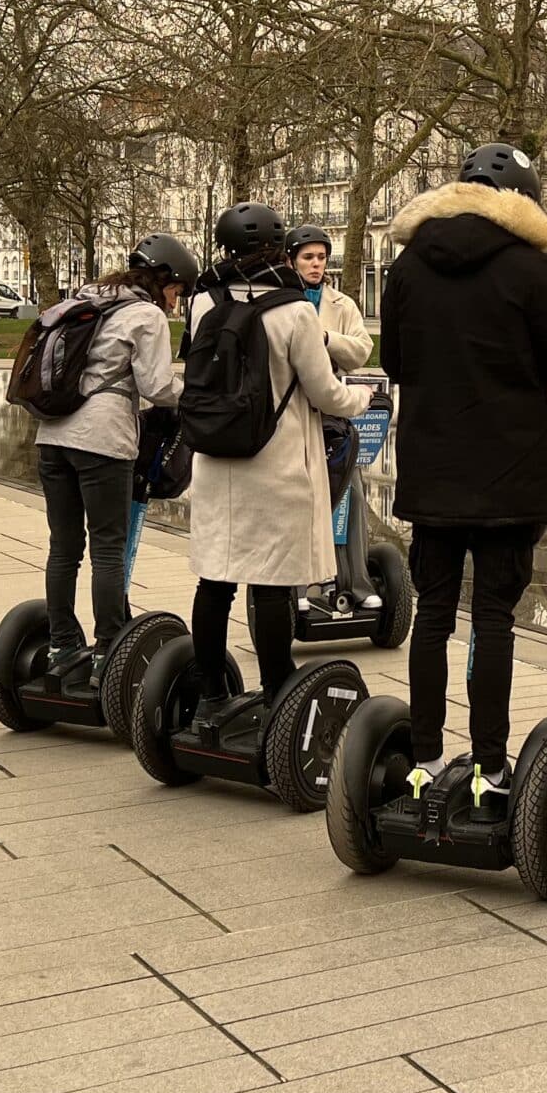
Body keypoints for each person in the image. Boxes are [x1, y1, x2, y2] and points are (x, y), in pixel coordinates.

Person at [380, 145, 547, 803]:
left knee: (433, 613)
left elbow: (395, 361)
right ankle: (490, 770)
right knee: (494, 618)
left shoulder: (409, 264)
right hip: (509, 469)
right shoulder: (531, 269)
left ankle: (423, 759)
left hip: (433, 466)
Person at [182, 204, 370, 723]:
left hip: (216, 458)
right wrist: (360, 400)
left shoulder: (202, 300)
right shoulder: (294, 310)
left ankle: (210, 693)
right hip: (275, 460)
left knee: (214, 581)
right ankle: (276, 690)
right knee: (270, 585)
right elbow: (325, 392)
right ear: (277, 250)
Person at [29, 233, 198, 685]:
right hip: (102, 441)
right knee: (107, 546)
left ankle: (61, 645)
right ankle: (109, 650)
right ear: (164, 280)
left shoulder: (87, 298)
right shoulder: (146, 315)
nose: (176, 301)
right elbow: (157, 387)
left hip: (52, 435)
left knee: (64, 547)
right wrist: (195, 395)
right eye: (177, 291)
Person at [288, 225, 371, 372]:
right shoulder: (280, 302)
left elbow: (362, 351)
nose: (316, 263)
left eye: (321, 257)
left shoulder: (344, 304)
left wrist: (327, 339)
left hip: (334, 385)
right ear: (292, 262)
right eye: (308, 257)